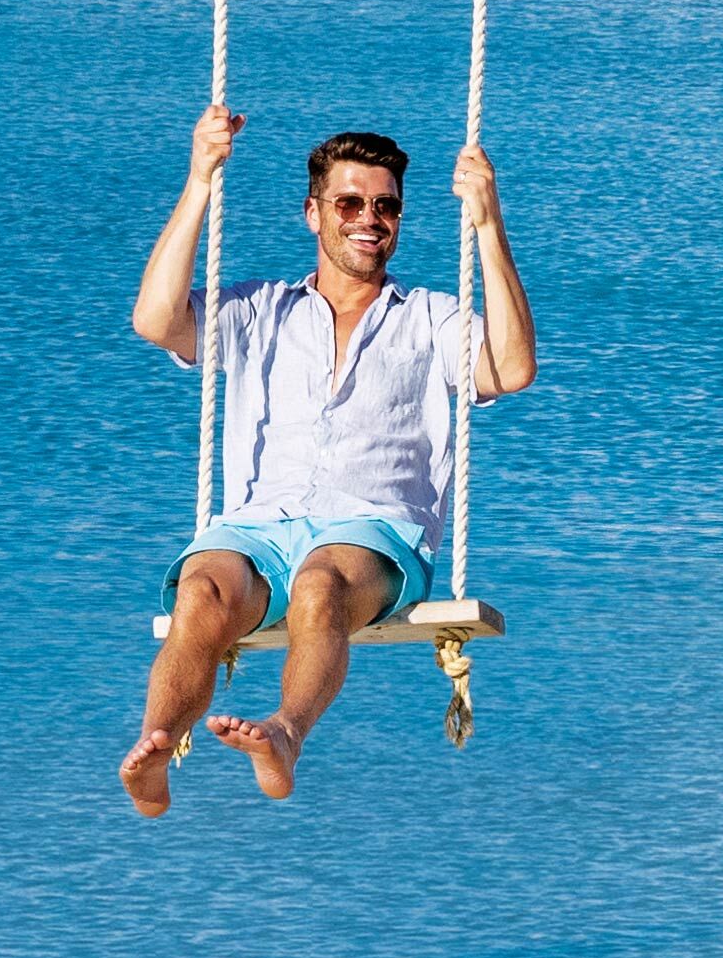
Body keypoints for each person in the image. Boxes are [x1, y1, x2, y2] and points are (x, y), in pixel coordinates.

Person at [123, 108, 531, 812]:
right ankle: (156, 746)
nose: (368, 218)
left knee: (318, 584)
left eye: (385, 206)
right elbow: (154, 319)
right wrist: (199, 180)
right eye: (349, 203)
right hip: (256, 526)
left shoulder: (429, 318)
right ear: (313, 214)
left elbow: (514, 367)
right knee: (201, 591)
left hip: (372, 533)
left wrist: (489, 228)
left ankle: (283, 734)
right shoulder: (256, 310)